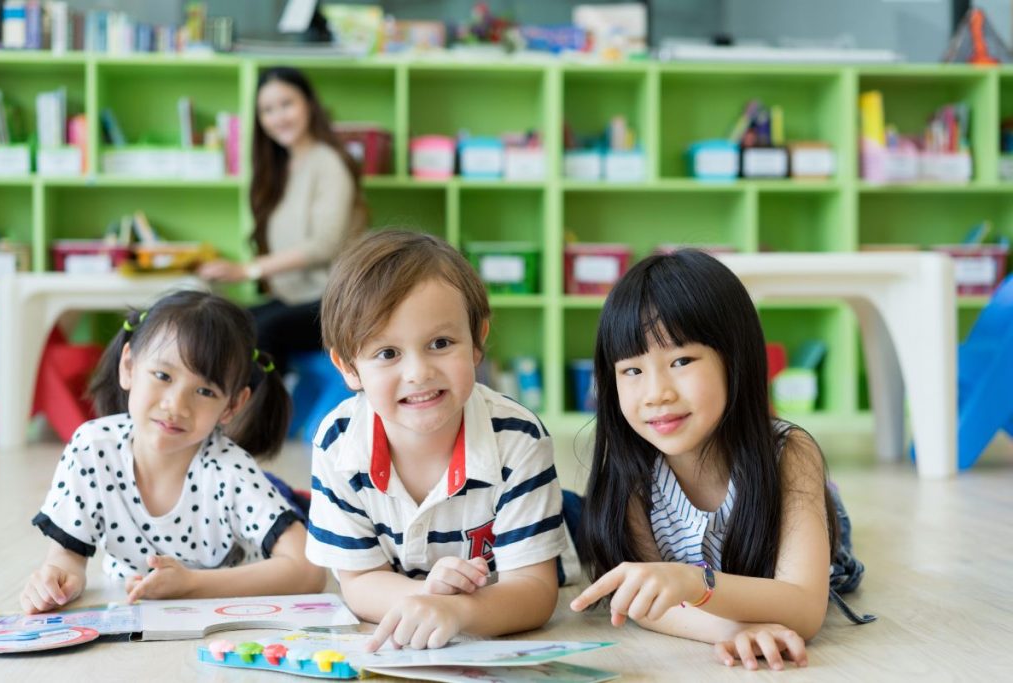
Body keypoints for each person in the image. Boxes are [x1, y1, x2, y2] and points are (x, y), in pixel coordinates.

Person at [570, 250, 872, 671]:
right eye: (632, 371)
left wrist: (694, 582)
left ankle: (825, 504)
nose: (656, 393)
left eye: (680, 361)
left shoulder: (790, 453)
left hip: (778, 506)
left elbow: (804, 607)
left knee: (831, 532)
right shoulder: (630, 475)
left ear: (736, 359)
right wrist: (732, 630)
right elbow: (645, 603)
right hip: (730, 579)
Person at [306, 230, 568, 651]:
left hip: (493, 618)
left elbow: (535, 592)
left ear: (477, 340)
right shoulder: (338, 442)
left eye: (440, 344)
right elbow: (357, 583)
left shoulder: (518, 439)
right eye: (387, 353)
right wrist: (428, 597)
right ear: (348, 367)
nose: (419, 373)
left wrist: (458, 610)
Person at [20, 290, 326, 614]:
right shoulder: (93, 450)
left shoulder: (230, 472)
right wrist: (56, 579)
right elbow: (68, 557)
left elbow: (308, 570)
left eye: (205, 391)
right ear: (129, 366)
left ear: (232, 405)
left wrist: (192, 585)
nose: (176, 406)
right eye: (163, 376)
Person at [197, 65, 366, 373]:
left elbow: (324, 245)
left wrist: (247, 270)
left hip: (334, 303)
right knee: (223, 323)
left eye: (286, 104)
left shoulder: (329, 163)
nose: (278, 117)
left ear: (309, 105)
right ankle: (234, 414)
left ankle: (264, 419)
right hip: (294, 298)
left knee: (263, 332)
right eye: (267, 110)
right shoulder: (281, 168)